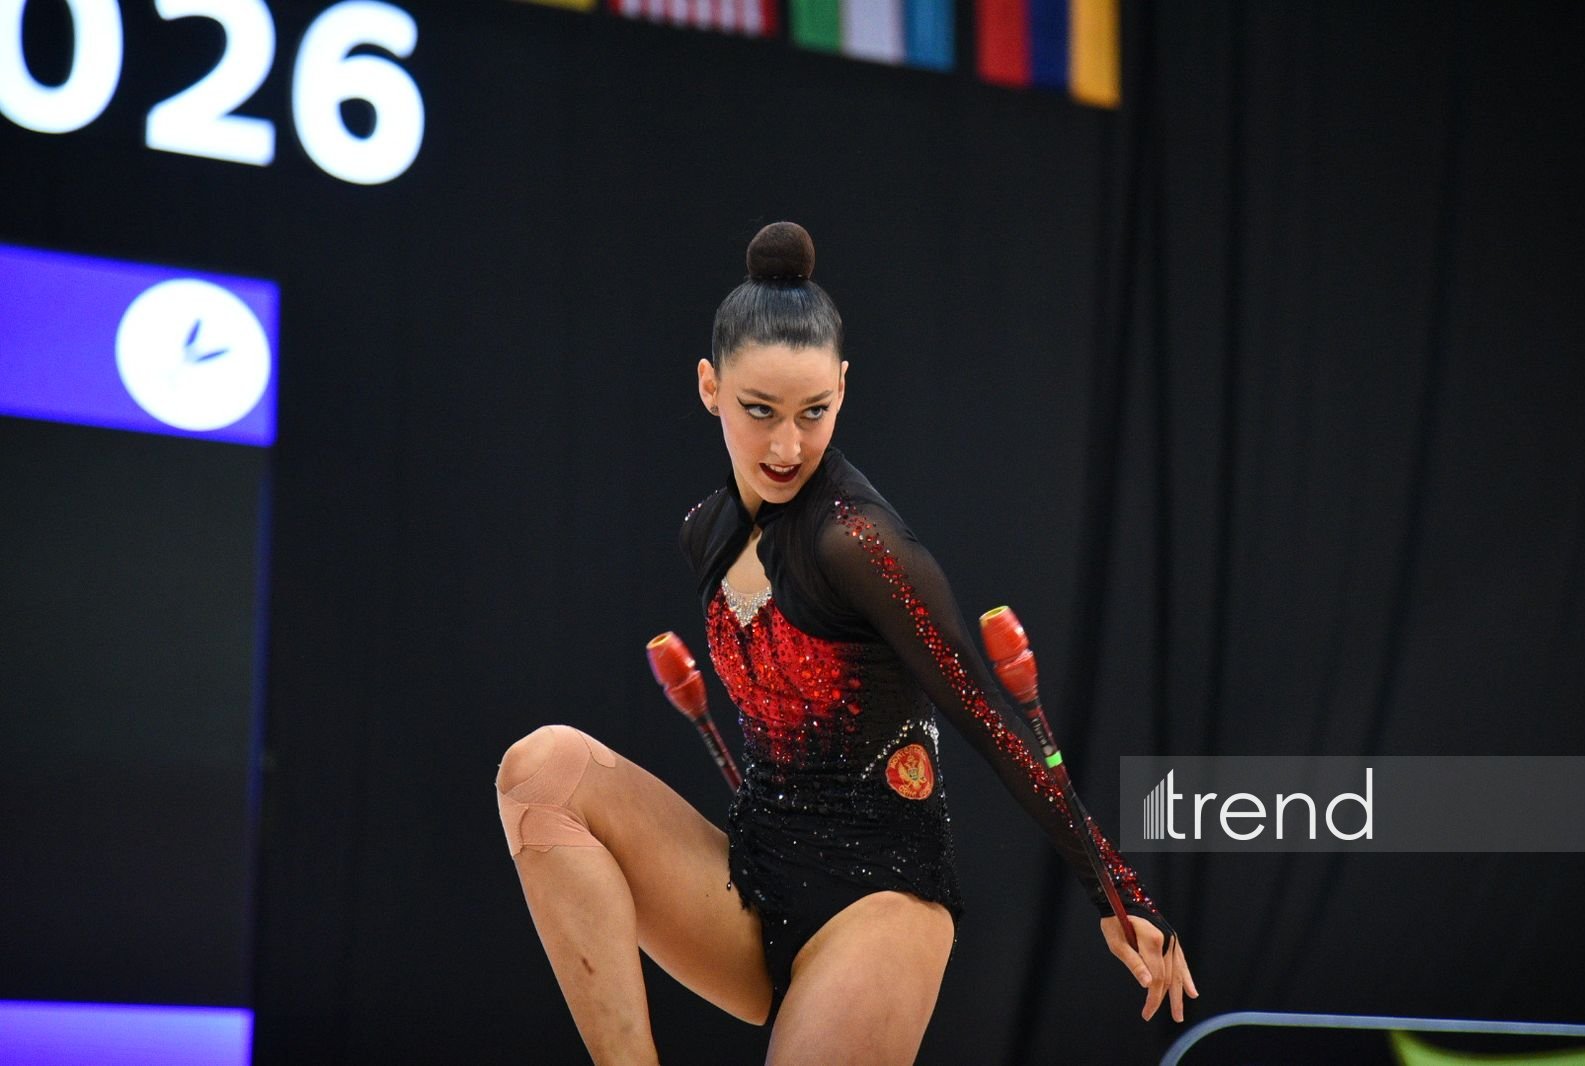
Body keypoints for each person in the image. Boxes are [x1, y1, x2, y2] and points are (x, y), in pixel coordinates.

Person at [495, 221, 1197, 1065]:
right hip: (754, 885)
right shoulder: (706, 534)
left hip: (879, 900)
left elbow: (984, 714)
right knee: (542, 772)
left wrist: (1118, 894)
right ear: (709, 387)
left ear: (843, 388)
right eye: (760, 412)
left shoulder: (858, 544)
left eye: (813, 412)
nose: (787, 446)